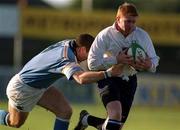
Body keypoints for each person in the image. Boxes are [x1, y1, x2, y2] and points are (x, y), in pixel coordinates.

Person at [0, 34, 124, 130]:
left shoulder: (68, 43)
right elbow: (81, 78)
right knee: (14, 122)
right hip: (22, 89)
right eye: (89, 53)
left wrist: (113, 58)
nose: (90, 58)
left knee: (65, 111)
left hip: (38, 86)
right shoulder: (66, 59)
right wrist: (108, 73)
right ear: (81, 49)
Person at [74, 3, 160, 130]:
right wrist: (116, 59)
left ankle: (86, 119)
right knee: (115, 114)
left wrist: (149, 64)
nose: (131, 25)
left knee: (115, 125)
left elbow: (154, 61)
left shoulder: (142, 35)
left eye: (133, 21)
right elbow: (92, 63)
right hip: (108, 76)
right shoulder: (105, 35)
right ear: (118, 19)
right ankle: (88, 119)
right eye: (127, 21)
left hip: (129, 80)